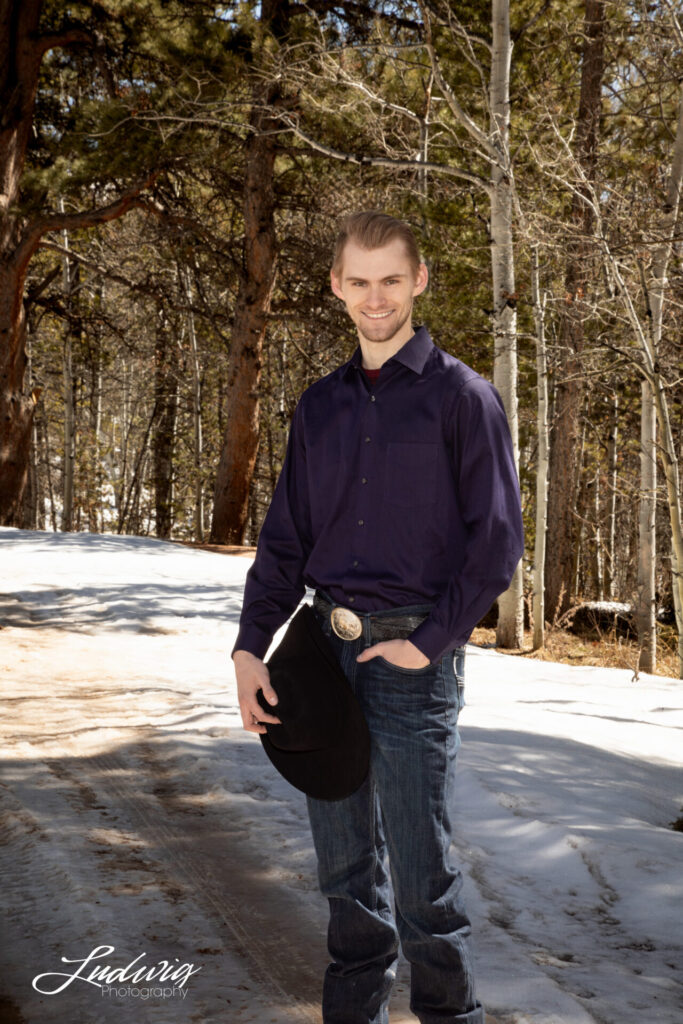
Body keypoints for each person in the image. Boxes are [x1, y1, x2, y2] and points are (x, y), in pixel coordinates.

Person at [231, 211, 524, 1024]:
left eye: (390, 279)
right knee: (344, 874)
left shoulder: (464, 400)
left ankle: (446, 1015)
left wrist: (427, 645)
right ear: (336, 286)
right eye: (357, 281)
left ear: (417, 281)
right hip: (322, 654)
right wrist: (250, 646)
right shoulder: (318, 406)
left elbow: (497, 543)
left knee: (424, 876)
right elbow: (285, 539)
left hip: (411, 659)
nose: (374, 297)